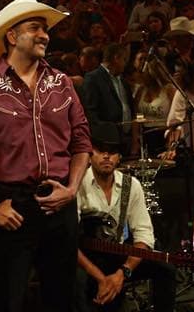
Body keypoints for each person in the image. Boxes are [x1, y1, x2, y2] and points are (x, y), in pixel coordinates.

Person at [0, 0, 92, 312]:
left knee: (63, 300)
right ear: (12, 37)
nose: (45, 35)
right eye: (35, 28)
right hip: (12, 208)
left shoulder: (62, 82)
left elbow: (82, 144)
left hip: (61, 205)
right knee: (7, 302)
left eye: (45, 29)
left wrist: (72, 189)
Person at [75, 123, 176, 312]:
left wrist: (123, 272)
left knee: (165, 268)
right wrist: (101, 278)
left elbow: (144, 236)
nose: (106, 156)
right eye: (100, 150)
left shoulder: (132, 185)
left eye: (112, 151)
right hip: (85, 259)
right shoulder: (78, 183)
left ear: (119, 157)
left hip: (117, 256)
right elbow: (68, 241)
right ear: (89, 154)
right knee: (75, 279)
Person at [81, 42, 134, 151]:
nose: (125, 64)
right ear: (116, 58)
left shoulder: (123, 81)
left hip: (125, 138)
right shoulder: (93, 78)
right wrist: (103, 133)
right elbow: (90, 112)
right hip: (105, 141)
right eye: (124, 60)